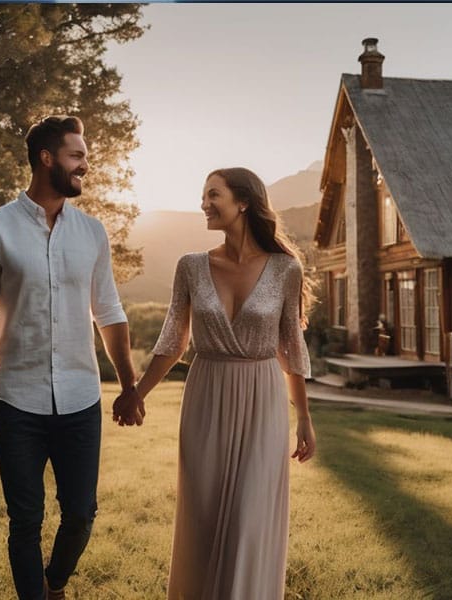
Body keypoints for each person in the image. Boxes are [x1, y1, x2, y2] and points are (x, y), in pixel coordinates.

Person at [0, 115, 144, 600]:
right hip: (17, 400)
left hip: (81, 399)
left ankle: (54, 582)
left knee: (81, 513)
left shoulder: (92, 233)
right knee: (25, 521)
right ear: (47, 159)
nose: (86, 164)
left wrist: (129, 385)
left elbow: (108, 311)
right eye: (77, 156)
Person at [118, 167, 316, 599]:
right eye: (203, 196)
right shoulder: (190, 266)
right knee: (204, 518)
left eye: (213, 195)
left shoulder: (286, 269)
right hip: (207, 395)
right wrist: (136, 393)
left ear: (243, 202)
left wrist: (303, 416)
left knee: (250, 515)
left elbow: (291, 347)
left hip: (263, 398)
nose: (204, 204)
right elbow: (173, 340)